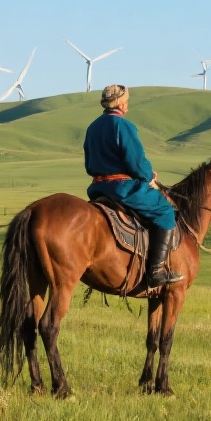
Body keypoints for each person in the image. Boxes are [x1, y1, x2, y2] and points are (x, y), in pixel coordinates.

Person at [83, 84, 183, 287]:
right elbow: (136, 162)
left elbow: (89, 163)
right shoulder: (124, 126)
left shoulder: (92, 127)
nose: (128, 104)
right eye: (126, 100)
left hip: (98, 188)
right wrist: (148, 176)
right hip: (122, 188)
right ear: (120, 103)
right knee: (165, 211)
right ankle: (155, 272)